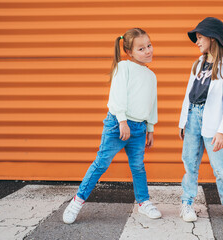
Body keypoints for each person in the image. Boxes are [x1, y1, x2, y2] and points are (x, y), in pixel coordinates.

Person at [63, 28, 161, 224]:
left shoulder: (151, 76)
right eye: (141, 48)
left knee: (138, 166)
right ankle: (77, 201)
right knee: (101, 163)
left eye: (149, 45)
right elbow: (117, 96)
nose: (148, 51)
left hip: (139, 128)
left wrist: (150, 127)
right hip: (118, 125)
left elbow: (152, 102)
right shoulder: (123, 67)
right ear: (129, 52)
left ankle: (143, 202)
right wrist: (122, 121)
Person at [178, 17, 223, 223]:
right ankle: (186, 204)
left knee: (220, 168)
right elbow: (189, 93)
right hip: (192, 118)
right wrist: (183, 122)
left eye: (200, 37)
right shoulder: (197, 64)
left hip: (213, 121)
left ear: (213, 39)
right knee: (190, 164)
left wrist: (222, 131)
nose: (197, 42)